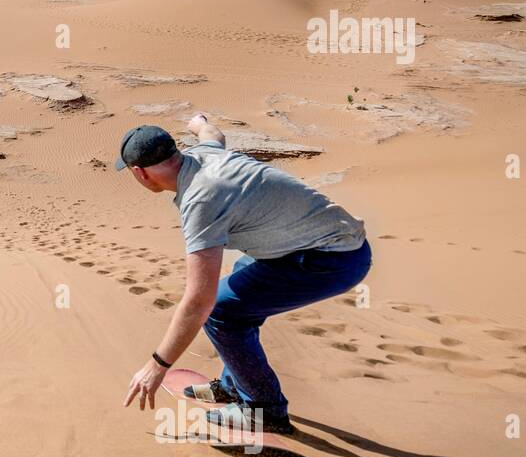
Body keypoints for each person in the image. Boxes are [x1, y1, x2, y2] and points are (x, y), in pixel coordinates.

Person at [117, 114, 371, 434]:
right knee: (238, 279)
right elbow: (212, 133)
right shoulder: (205, 153)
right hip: (328, 244)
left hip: (330, 260)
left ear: (139, 173)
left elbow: (199, 301)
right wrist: (198, 122)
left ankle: (264, 411)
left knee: (222, 310)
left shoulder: (200, 200)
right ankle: (236, 383)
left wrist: (157, 365)